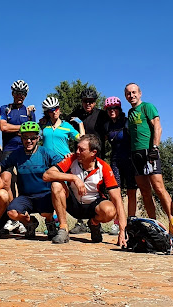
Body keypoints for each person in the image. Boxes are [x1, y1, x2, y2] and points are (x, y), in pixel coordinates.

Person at [0, 122, 68, 243]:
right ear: (21, 139)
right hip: (26, 197)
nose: (29, 141)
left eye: (32, 138)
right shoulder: (17, 154)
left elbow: (62, 164)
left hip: (44, 195)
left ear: (38, 138)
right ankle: (30, 223)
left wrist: (68, 159)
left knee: (46, 212)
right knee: (12, 213)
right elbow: (3, 165)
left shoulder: (45, 152)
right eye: (25, 138)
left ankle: (50, 221)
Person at [43, 134, 127, 246]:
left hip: (93, 206)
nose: (77, 152)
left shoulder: (104, 167)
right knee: (56, 185)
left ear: (93, 152)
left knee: (110, 211)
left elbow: (117, 199)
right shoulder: (72, 160)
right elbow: (47, 175)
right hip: (73, 203)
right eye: (76, 148)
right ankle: (63, 229)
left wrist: (122, 231)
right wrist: (74, 178)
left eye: (81, 150)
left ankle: (94, 223)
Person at [125, 83, 172, 220]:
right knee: (145, 192)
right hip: (135, 154)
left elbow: (158, 127)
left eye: (134, 92)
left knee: (159, 188)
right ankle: (154, 224)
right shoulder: (130, 112)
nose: (131, 95)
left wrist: (155, 147)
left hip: (149, 152)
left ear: (140, 93)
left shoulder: (147, 107)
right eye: (128, 93)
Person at [67, 88, 109, 235]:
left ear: (95, 102)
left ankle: (96, 221)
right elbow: (62, 125)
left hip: (97, 158)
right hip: (79, 158)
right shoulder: (75, 115)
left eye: (91, 101)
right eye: (85, 101)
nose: (88, 104)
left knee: (98, 189)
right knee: (78, 188)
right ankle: (80, 223)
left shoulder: (101, 115)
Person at [0, 80, 36, 229]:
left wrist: (16, 128)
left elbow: (33, 130)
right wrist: (22, 127)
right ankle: (13, 217)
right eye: (17, 93)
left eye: (23, 93)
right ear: (12, 94)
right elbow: (3, 127)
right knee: (6, 180)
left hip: (25, 149)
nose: (20, 96)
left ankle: (21, 217)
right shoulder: (5, 108)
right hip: (9, 148)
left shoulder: (30, 111)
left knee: (24, 183)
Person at [103, 96, 138, 234]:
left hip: (129, 159)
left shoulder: (126, 121)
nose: (112, 111)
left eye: (114, 108)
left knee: (131, 191)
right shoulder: (107, 125)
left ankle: (131, 221)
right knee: (115, 192)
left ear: (119, 109)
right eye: (109, 109)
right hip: (115, 160)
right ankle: (117, 222)